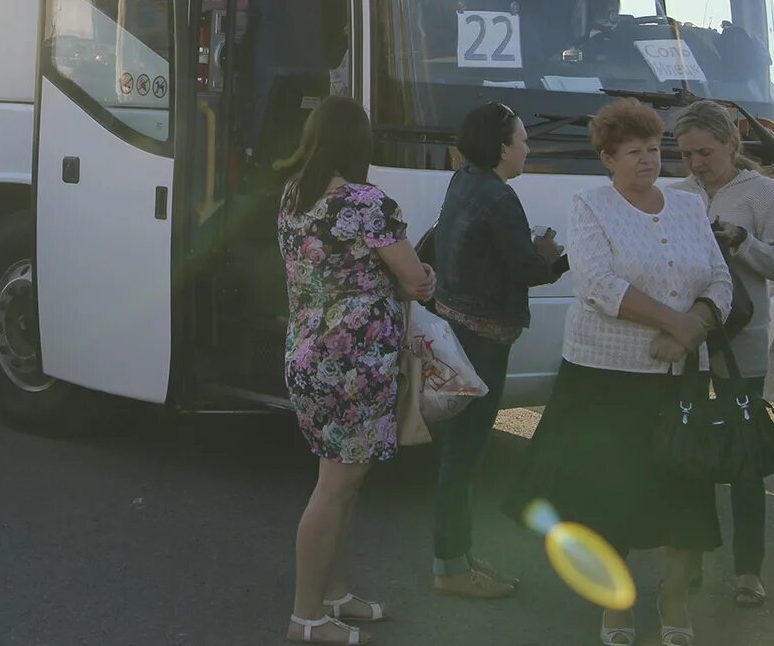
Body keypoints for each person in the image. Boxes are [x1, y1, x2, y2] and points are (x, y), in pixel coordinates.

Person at [508, 98, 732, 646]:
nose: (648, 161)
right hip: (606, 377)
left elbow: (720, 280)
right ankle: (617, 603)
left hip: (679, 378)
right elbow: (598, 284)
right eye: (634, 152)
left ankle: (675, 596)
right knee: (613, 496)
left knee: (685, 491)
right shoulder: (589, 204)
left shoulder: (687, 205)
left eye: (655, 149)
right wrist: (673, 322)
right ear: (609, 158)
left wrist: (693, 327)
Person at [277, 96, 436, 645]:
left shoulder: (294, 197)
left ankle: (332, 594)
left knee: (343, 482)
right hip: (354, 364)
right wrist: (425, 277)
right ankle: (305, 618)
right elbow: (414, 279)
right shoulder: (369, 203)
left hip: (308, 355)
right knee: (335, 485)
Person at [430, 102, 564, 599]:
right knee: (463, 457)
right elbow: (526, 268)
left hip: (456, 330)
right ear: (503, 146)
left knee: (457, 453)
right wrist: (552, 258)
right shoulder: (499, 197)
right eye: (523, 139)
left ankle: (459, 555)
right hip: (483, 341)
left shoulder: (465, 180)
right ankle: (450, 568)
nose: (528, 147)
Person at [672, 99, 774, 609]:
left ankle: (748, 570)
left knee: (744, 461)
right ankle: (691, 558)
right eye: (687, 155)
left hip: (741, 348)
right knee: (688, 455)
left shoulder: (764, 193)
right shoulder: (678, 195)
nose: (697, 164)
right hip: (688, 346)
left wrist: (741, 242)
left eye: (705, 152)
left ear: (731, 144)